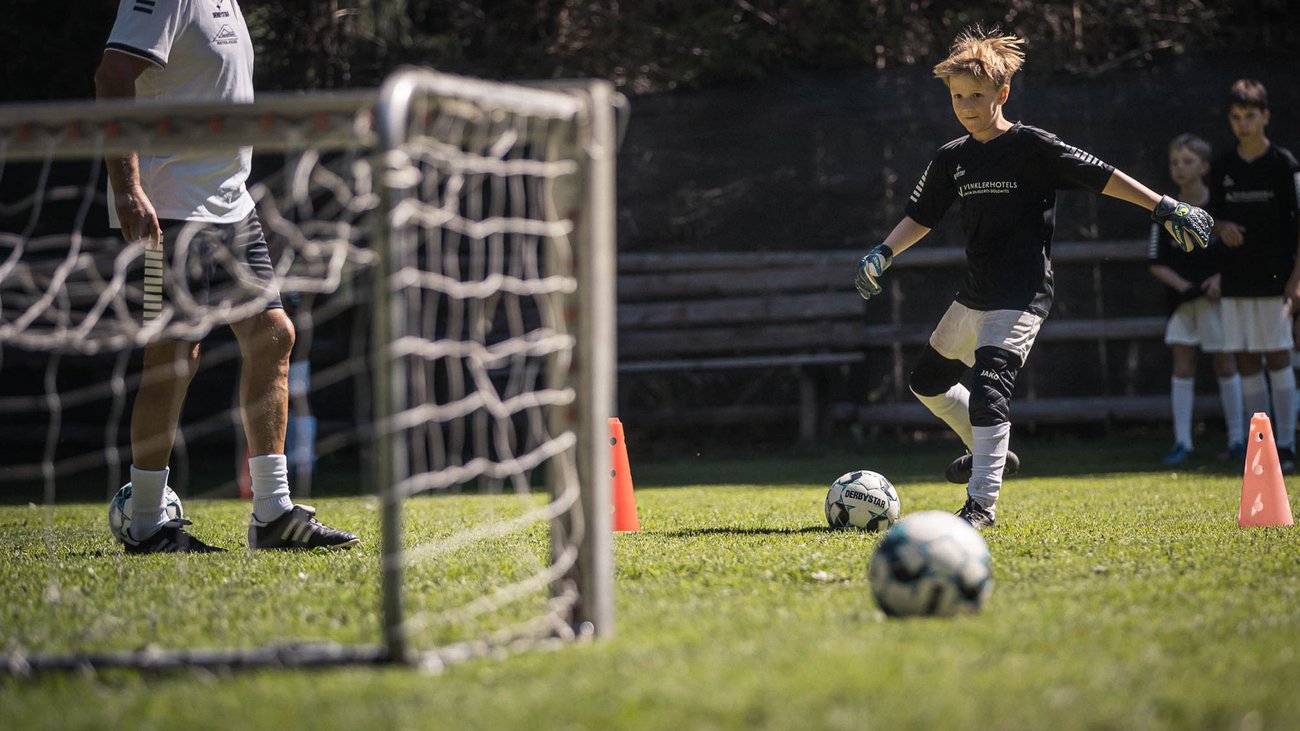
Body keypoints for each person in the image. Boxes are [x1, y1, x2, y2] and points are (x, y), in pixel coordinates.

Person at [853, 26, 1212, 529]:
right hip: (975, 295)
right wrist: (884, 251)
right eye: (958, 96)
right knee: (926, 383)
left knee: (989, 390)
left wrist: (1163, 206)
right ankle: (989, 452)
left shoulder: (1033, 146)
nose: (966, 106)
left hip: (1021, 295)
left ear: (1002, 93)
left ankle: (980, 506)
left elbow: (1102, 175)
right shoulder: (952, 157)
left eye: (977, 96)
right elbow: (921, 216)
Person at [95, 0, 358, 552]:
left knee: (274, 335)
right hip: (171, 212)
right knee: (172, 358)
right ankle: (147, 522)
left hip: (233, 209)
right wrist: (127, 187)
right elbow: (112, 76)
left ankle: (273, 514)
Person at [1206, 79, 1300, 472]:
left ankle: (1288, 446)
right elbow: (1208, 221)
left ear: (1265, 116)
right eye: (1235, 117)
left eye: (1249, 116)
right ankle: (1262, 449)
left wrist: (1296, 280)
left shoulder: (1284, 165)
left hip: (1276, 281)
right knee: (1246, 359)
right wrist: (1221, 227)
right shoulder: (1222, 167)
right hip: (1235, 280)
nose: (1242, 124)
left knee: (1278, 357)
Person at [1146, 134, 1244, 465]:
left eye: (1188, 161)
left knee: (1226, 364)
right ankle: (1183, 443)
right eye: (1175, 162)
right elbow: (1156, 261)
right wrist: (1185, 287)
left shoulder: (1221, 207)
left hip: (1219, 303)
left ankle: (1238, 441)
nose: (1180, 168)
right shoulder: (1165, 209)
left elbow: (1239, 252)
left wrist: (1222, 280)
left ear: (1204, 166)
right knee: (1183, 366)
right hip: (1182, 305)